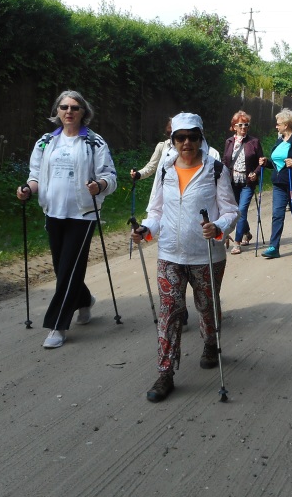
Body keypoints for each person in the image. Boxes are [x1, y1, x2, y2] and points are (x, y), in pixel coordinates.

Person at [131, 112, 238, 403]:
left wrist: (218, 226)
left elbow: (231, 211)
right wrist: (145, 229)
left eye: (192, 136)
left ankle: (211, 343)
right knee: (170, 312)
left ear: (201, 138)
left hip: (206, 255)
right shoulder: (165, 169)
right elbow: (156, 211)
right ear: (173, 140)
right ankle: (165, 372)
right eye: (180, 137)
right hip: (170, 254)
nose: (186, 142)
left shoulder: (216, 169)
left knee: (207, 306)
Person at [17, 90, 117, 349]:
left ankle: (57, 325)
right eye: (64, 107)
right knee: (62, 267)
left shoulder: (94, 142)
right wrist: (28, 189)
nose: (69, 111)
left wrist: (99, 185)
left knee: (69, 267)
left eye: (74, 107)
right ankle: (83, 299)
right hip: (53, 212)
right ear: (57, 111)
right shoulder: (45, 142)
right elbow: (35, 176)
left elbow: (110, 176)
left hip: (83, 214)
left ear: (83, 112)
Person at [259, 108, 292, 258]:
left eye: (278, 123)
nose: (276, 126)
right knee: (277, 215)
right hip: (279, 184)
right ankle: (273, 247)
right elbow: (277, 164)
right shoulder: (279, 140)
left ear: (286, 124)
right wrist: (266, 163)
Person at [222, 110, 264, 254]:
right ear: (234, 126)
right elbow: (225, 161)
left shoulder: (254, 142)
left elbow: (261, 162)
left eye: (246, 125)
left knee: (241, 211)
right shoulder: (229, 142)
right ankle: (246, 232)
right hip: (232, 181)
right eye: (240, 125)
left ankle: (237, 242)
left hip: (247, 182)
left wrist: (255, 173)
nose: (243, 128)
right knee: (236, 211)